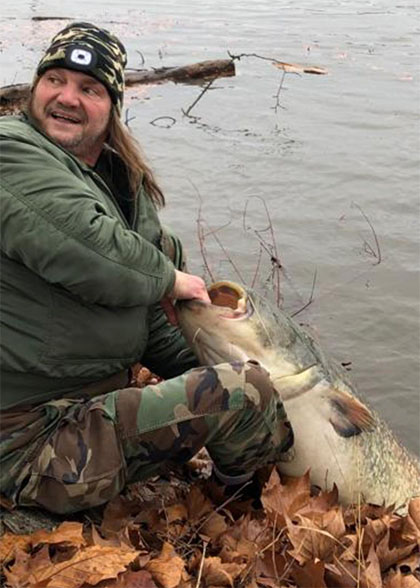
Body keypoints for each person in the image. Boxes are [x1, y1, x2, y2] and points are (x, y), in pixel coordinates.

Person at [0, 22, 294, 514]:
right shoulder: (10, 151)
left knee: (251, 384)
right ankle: (232, 507)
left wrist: (212, 361)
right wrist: (171, 278)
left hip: (80, 413)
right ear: (35, 89)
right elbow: (86, 246)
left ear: (113, 104)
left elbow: (152, 319)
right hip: (27, 439)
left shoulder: (118, 183)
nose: (67, 97)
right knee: (243, 394)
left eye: (89, 88)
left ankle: (247, 476)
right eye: (55, 80)